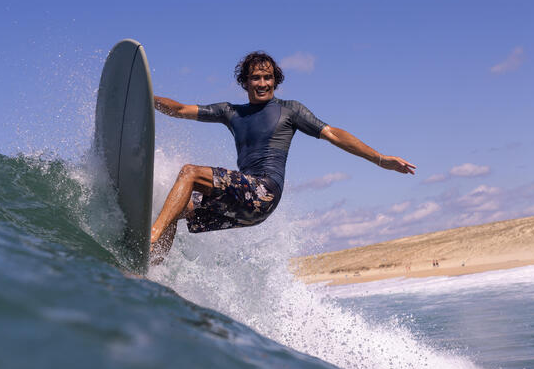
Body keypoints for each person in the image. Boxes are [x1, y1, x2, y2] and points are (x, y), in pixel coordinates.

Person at [150, 51, 415, 263]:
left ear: (275, 80)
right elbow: (181, 109)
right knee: (179, 206)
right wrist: (148, 98)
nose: (262, 83)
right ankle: (153, 265)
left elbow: (334, 134)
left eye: (267, 77)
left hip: (264, 192)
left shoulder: (290, 111)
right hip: (246, 208)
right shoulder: (231, 112)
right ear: (245, 82)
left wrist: (380, 159)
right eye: (256, 78)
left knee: (190, 173)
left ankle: (152, 236)